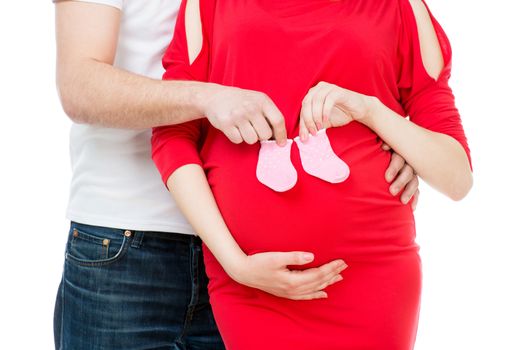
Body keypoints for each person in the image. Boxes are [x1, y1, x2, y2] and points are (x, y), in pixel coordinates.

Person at [53, 0, 420, 349]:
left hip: (265, 262)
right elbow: (79, 87)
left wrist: (394, 137)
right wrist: (207, 98)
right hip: (129, 241)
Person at [151, 0, 473, 349]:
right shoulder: (208, 5)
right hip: (252, 284)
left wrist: (371, 110)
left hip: (373, 278)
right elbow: (172, 135)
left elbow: (457, 178)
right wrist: (236, 264)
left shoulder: (399, 7)